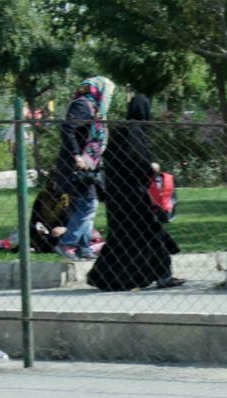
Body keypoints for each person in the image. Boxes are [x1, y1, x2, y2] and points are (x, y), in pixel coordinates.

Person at [87, 94, 182, 291]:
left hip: (117, 196)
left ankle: (103, 277)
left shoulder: (120, 131)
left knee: (123, 238)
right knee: (151, 234)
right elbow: (136, 161)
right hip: (134, 197)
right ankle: (163, 275)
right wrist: (151, 167)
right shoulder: (135, 132)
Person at [52, 77, 115, 261]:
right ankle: (67, 243)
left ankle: (84, 248)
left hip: (86, 166)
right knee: (89, 203)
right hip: (76, 166)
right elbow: (68, 129)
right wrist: (76, 155)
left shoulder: (92, 108)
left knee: (83, 203)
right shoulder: (83, 105)